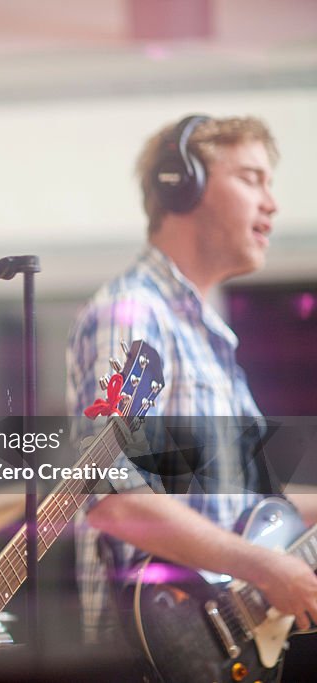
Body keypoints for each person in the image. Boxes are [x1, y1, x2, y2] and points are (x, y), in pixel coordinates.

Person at [66, 115, 317, 652]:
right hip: (151, 656)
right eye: (252, 178)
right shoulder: (131, 314)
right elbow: (113, 496)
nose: (272, 203)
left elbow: (254, 504)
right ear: (184, 187)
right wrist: (264, 567)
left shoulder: (206, 338)